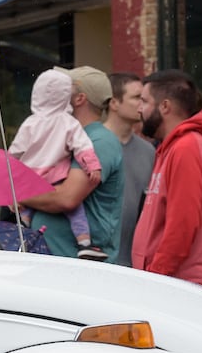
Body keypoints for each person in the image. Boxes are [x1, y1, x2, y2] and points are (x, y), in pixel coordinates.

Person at [18, 67, 124, 262]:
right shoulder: (65, 135)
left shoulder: (98, 140)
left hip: (80, 269)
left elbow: (66, 198)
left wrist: (19, 193)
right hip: (61, 262)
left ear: (79, 99)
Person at [130, 70, 202, 288]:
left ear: (165, 106)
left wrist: (155, 277)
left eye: (144, 101)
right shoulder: (172, 147)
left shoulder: (186, 148)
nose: (139, 109)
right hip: (173, 284)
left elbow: (183, 224)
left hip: (180, 287)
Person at [104, 71, 156, 268]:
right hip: (98, 262)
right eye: (136, 98)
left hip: (136, 264)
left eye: (144, 98)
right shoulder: (89, 146)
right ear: (114, 103)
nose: (142, 105)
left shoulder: (148, 151)